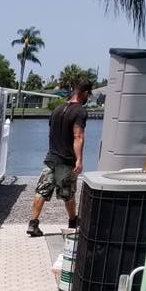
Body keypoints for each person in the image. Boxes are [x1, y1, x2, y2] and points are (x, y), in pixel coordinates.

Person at [27, 79, 93, 237]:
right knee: (68, 194)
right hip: (66, 160)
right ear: (84, 93)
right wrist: (79, 159)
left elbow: (52, 132)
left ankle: (33, 224)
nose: (88, 98)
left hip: (51, 157)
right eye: (88, 94)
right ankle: (72, 222)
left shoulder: (57, 109)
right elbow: (78, 136)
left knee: (42, 190)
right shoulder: (80, 112)